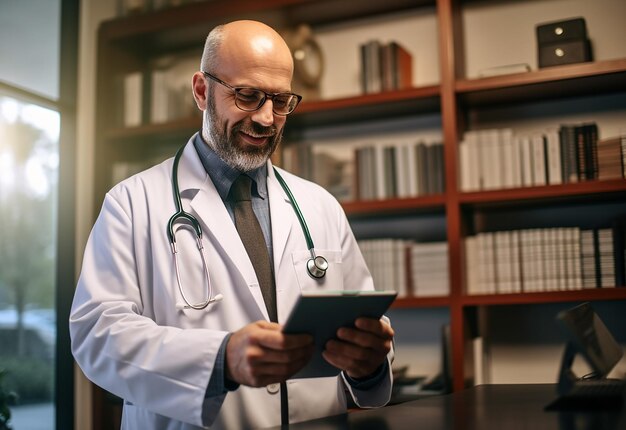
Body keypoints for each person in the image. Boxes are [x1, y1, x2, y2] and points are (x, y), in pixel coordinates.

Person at [70, 20, 394, 429]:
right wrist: (222, 359)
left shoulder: (321, 206)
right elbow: (97, 337)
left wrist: (368, 363)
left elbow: (363, 328)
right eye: (248, 96)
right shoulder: (131, 204)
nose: (266, 118)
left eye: (280, 101)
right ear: (202, 92)